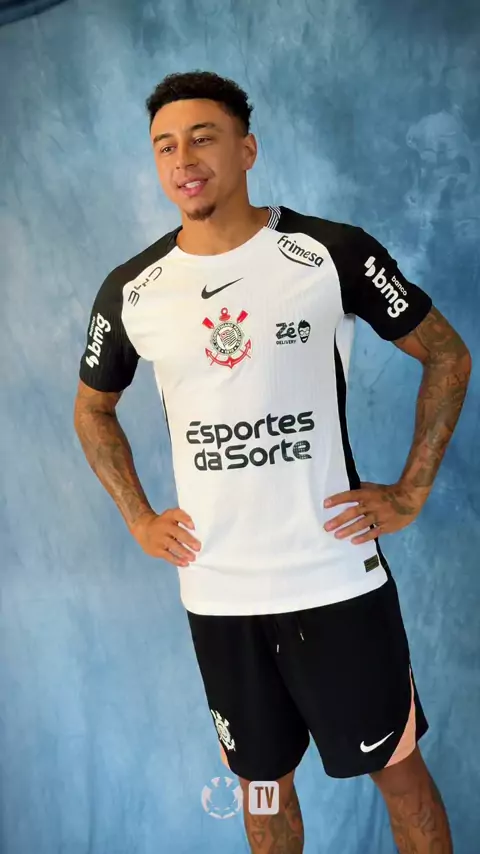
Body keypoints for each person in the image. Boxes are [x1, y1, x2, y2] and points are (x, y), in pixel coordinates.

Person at [74, 70, 471, 853]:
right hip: (219, 595)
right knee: (262, 792)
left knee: (400, 779)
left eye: (203, 138)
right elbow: (93, 408)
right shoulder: (132, 290)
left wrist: (412, 489)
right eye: (165, 146)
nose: (183, 160)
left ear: (247, 149)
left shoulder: (330, 253)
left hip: (334, 580)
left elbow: (448, 356)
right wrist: (139, 517)